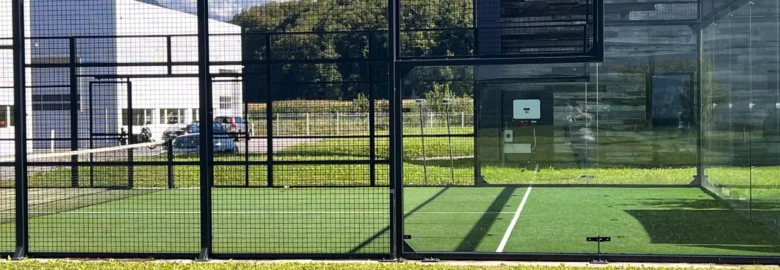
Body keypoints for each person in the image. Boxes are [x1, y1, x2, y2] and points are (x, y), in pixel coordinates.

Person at [564, 100, 595, 168]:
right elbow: (567, 128)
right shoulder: (570, 117)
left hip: (586, 138)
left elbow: (589, 118)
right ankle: (580, 168)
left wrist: (579, 112)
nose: (576, 108)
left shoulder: (588, 115)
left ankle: (588, 169)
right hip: (575, 139)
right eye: (575, 106)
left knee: (587, 156)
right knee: (577, 156)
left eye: (578, 106)